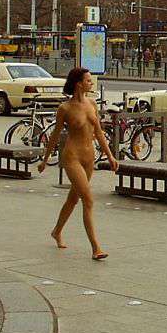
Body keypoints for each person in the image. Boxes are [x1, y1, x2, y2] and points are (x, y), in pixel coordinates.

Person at [38, 68, 118, 260]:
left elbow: (98, 132)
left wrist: (110, 156)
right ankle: (96, 248)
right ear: (78, 84)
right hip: (72, 157)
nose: (91, 83)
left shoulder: (92, 104)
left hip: (89, 157)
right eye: (88, 80)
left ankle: (56, 231)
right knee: (88, 199)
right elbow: (55, 135)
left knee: (73, 199)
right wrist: (45, 159)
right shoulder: (65, 108)